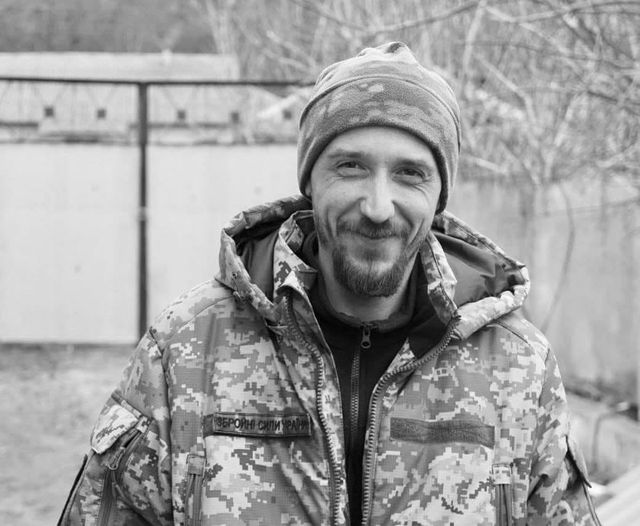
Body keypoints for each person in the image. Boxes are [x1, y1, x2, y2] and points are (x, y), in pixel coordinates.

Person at [59, 42, 601, 526]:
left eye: (410, 173)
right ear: (309, 183)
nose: (378, 207)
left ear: (439, 196)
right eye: (350, 167)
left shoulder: (519, 369)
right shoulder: (183, 352)